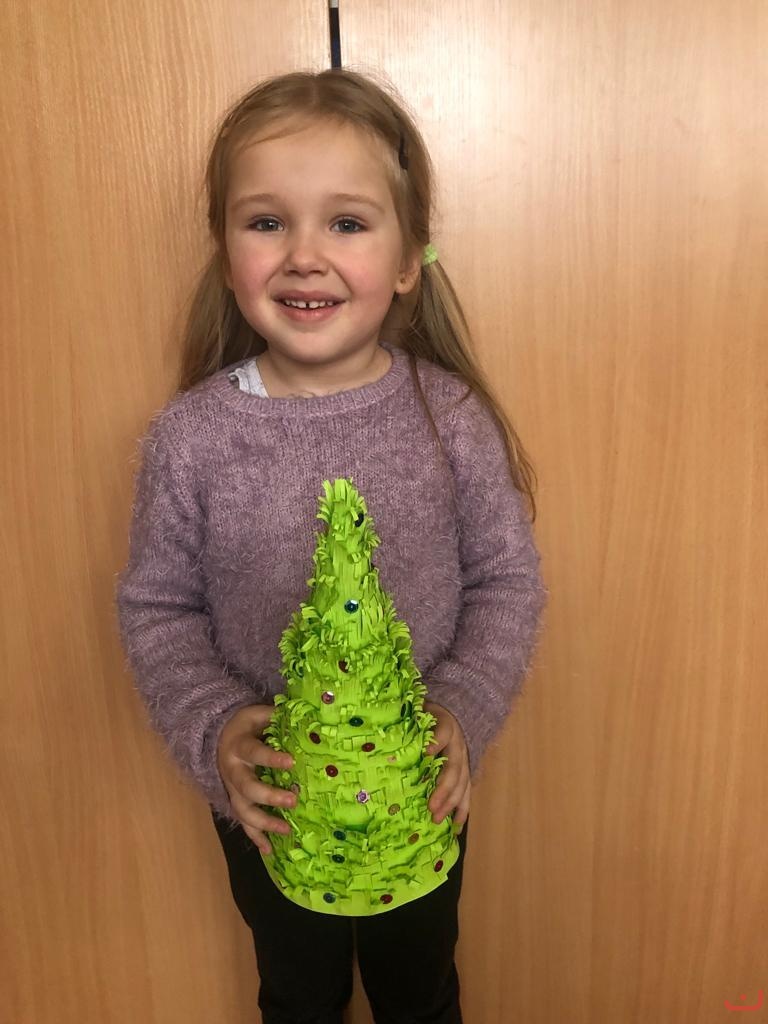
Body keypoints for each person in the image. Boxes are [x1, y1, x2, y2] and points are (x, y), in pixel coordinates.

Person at [115, 68, 548, 1024]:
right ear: (225, 252)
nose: (304, 255)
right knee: (299, 995)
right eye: (267, 222)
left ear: (408, 259)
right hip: (272, 805)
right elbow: (158, 610)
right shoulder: (191, 438)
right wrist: (214, 730)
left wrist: (464, 708)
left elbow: (505, 581)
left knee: (420, 990)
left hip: (416, 791)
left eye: (347, 223)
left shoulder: (450, 418)